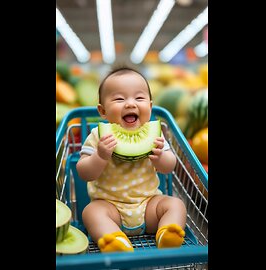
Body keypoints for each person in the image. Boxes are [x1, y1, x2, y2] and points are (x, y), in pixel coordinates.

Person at [76, 66, 187, 253]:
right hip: (111, 209)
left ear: (150, 107)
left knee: (175, 204)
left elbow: (169, 166)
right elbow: (84, 172)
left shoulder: (155, 135)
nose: (130, 104)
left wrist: (160, 157)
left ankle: (167, 233)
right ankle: (114, 240)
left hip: (150, 206)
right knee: (91, 212)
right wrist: (100, 156)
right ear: (102, 111)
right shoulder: (97, 136)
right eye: (119, 99)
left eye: (139, 98)